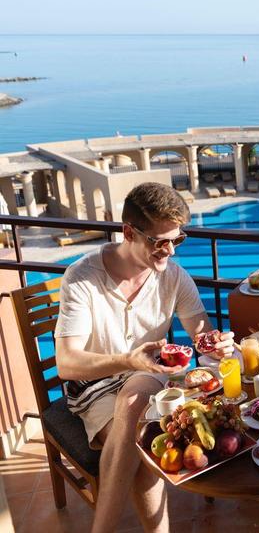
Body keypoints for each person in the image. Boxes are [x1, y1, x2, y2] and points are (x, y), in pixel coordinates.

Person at [55, 182, 234, 533]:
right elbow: (67, 363)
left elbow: (202, 335)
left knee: (137, 394)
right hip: (93, 389)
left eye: (176, 240)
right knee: (143, 446)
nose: (169, 251)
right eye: (159, 241)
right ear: (128, 232)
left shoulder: (175, 278)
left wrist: (217, 345)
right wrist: (128, 360)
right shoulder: (81, 279)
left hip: (148, 378)